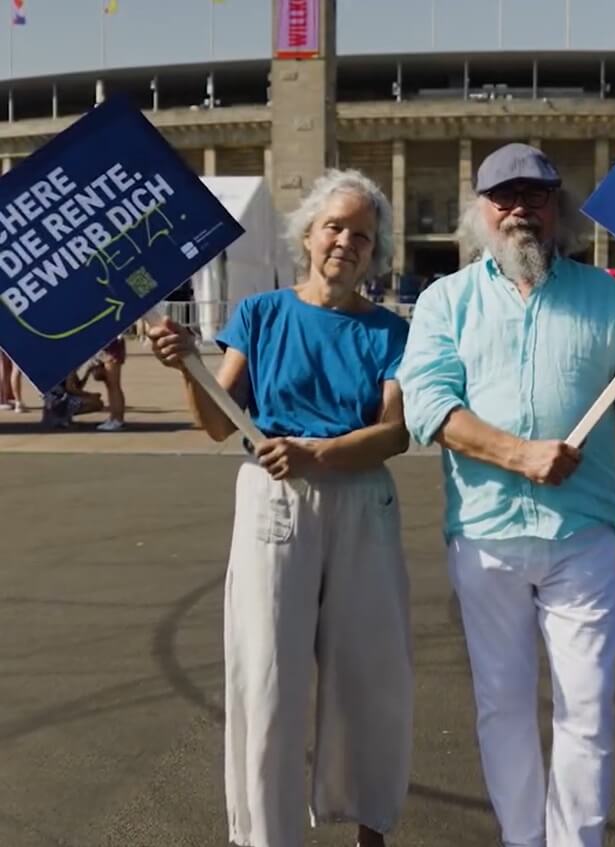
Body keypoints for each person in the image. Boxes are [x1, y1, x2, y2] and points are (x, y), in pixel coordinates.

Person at [398, 143, 615, 847]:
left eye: (534, 196)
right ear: (477, 212)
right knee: (501, 703)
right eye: (503, 197)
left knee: (587, 705)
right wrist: (518, 454)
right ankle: (521, 837)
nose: (519, 210)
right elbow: (429, 409)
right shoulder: (446, 301)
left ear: (556, 207)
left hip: (582, 532)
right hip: (484, 533)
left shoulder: (601, 294)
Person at [148, 169, 412, 847]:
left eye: (361, 234)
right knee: (266, 671)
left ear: (374, 251)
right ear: (307, 234)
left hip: (358, 495)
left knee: (366, 670)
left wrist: (318, 453)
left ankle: (368, 820)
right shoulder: (262, 314)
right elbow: (215, 421)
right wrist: (188, 366)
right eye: (335, 227)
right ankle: (265, 833)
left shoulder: (388, 330)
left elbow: (394, 431)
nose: (345, 243)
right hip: (273, 497)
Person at [95, 336, 127, 431]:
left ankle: (118, 419)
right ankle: (113, 417)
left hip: (112, 347)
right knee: (110, 385)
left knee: (113, 385)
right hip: (107, 347)